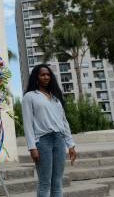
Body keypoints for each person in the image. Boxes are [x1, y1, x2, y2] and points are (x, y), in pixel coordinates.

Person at [21, 64, 77, 197]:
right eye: (42, 75)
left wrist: (71, 145)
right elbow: (27, 124)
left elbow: (64, 122)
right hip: (43, 142)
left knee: (57, 182)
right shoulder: (30, 97)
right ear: (36, 77)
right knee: (45, 183)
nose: (46, 77)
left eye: (48, 75)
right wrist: (32, 147)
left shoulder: (56, 98)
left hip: (59, 141)